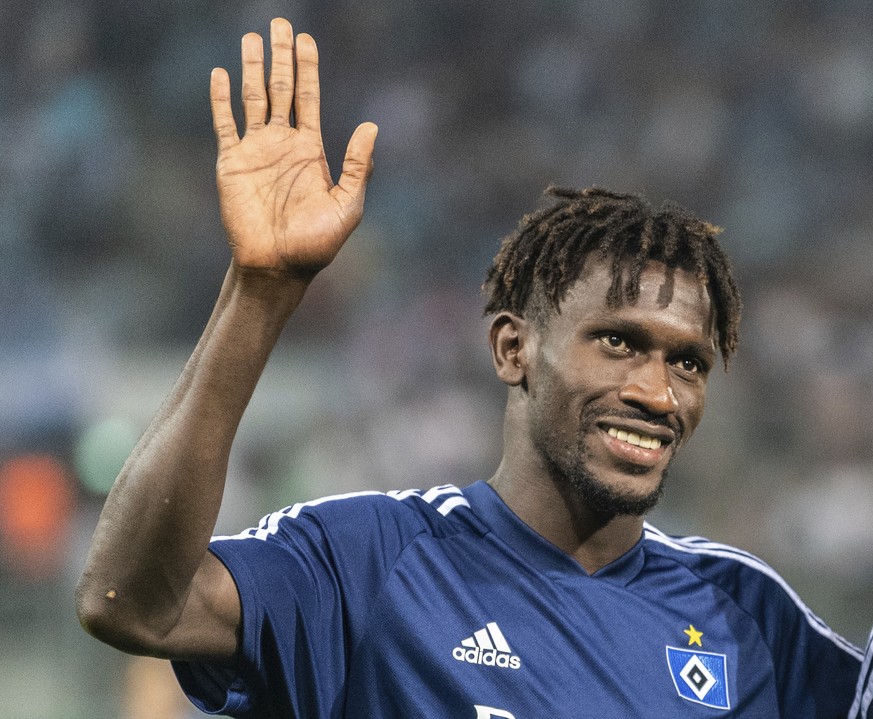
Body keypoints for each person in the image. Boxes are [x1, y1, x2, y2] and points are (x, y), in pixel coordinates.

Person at [76, 17, 873, 718]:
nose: (655, 392)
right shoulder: (371, 561)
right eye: (618, 342)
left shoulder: (749, 617)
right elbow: (133, 604)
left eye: (689, 362)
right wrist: (261, 289)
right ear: (511, 347)